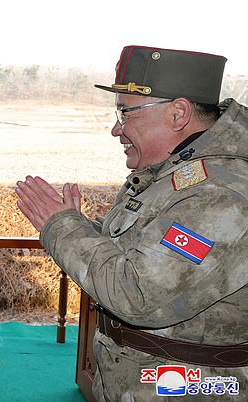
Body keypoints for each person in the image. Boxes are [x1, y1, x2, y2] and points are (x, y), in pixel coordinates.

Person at [16, 46, 248, 401]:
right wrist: (82, 227)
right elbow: (137, 252)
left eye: (125, 113)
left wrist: (62, 227)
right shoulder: (173, 172)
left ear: (178, 114)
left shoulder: (220, 192)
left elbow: (138, 294)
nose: (115, 129)